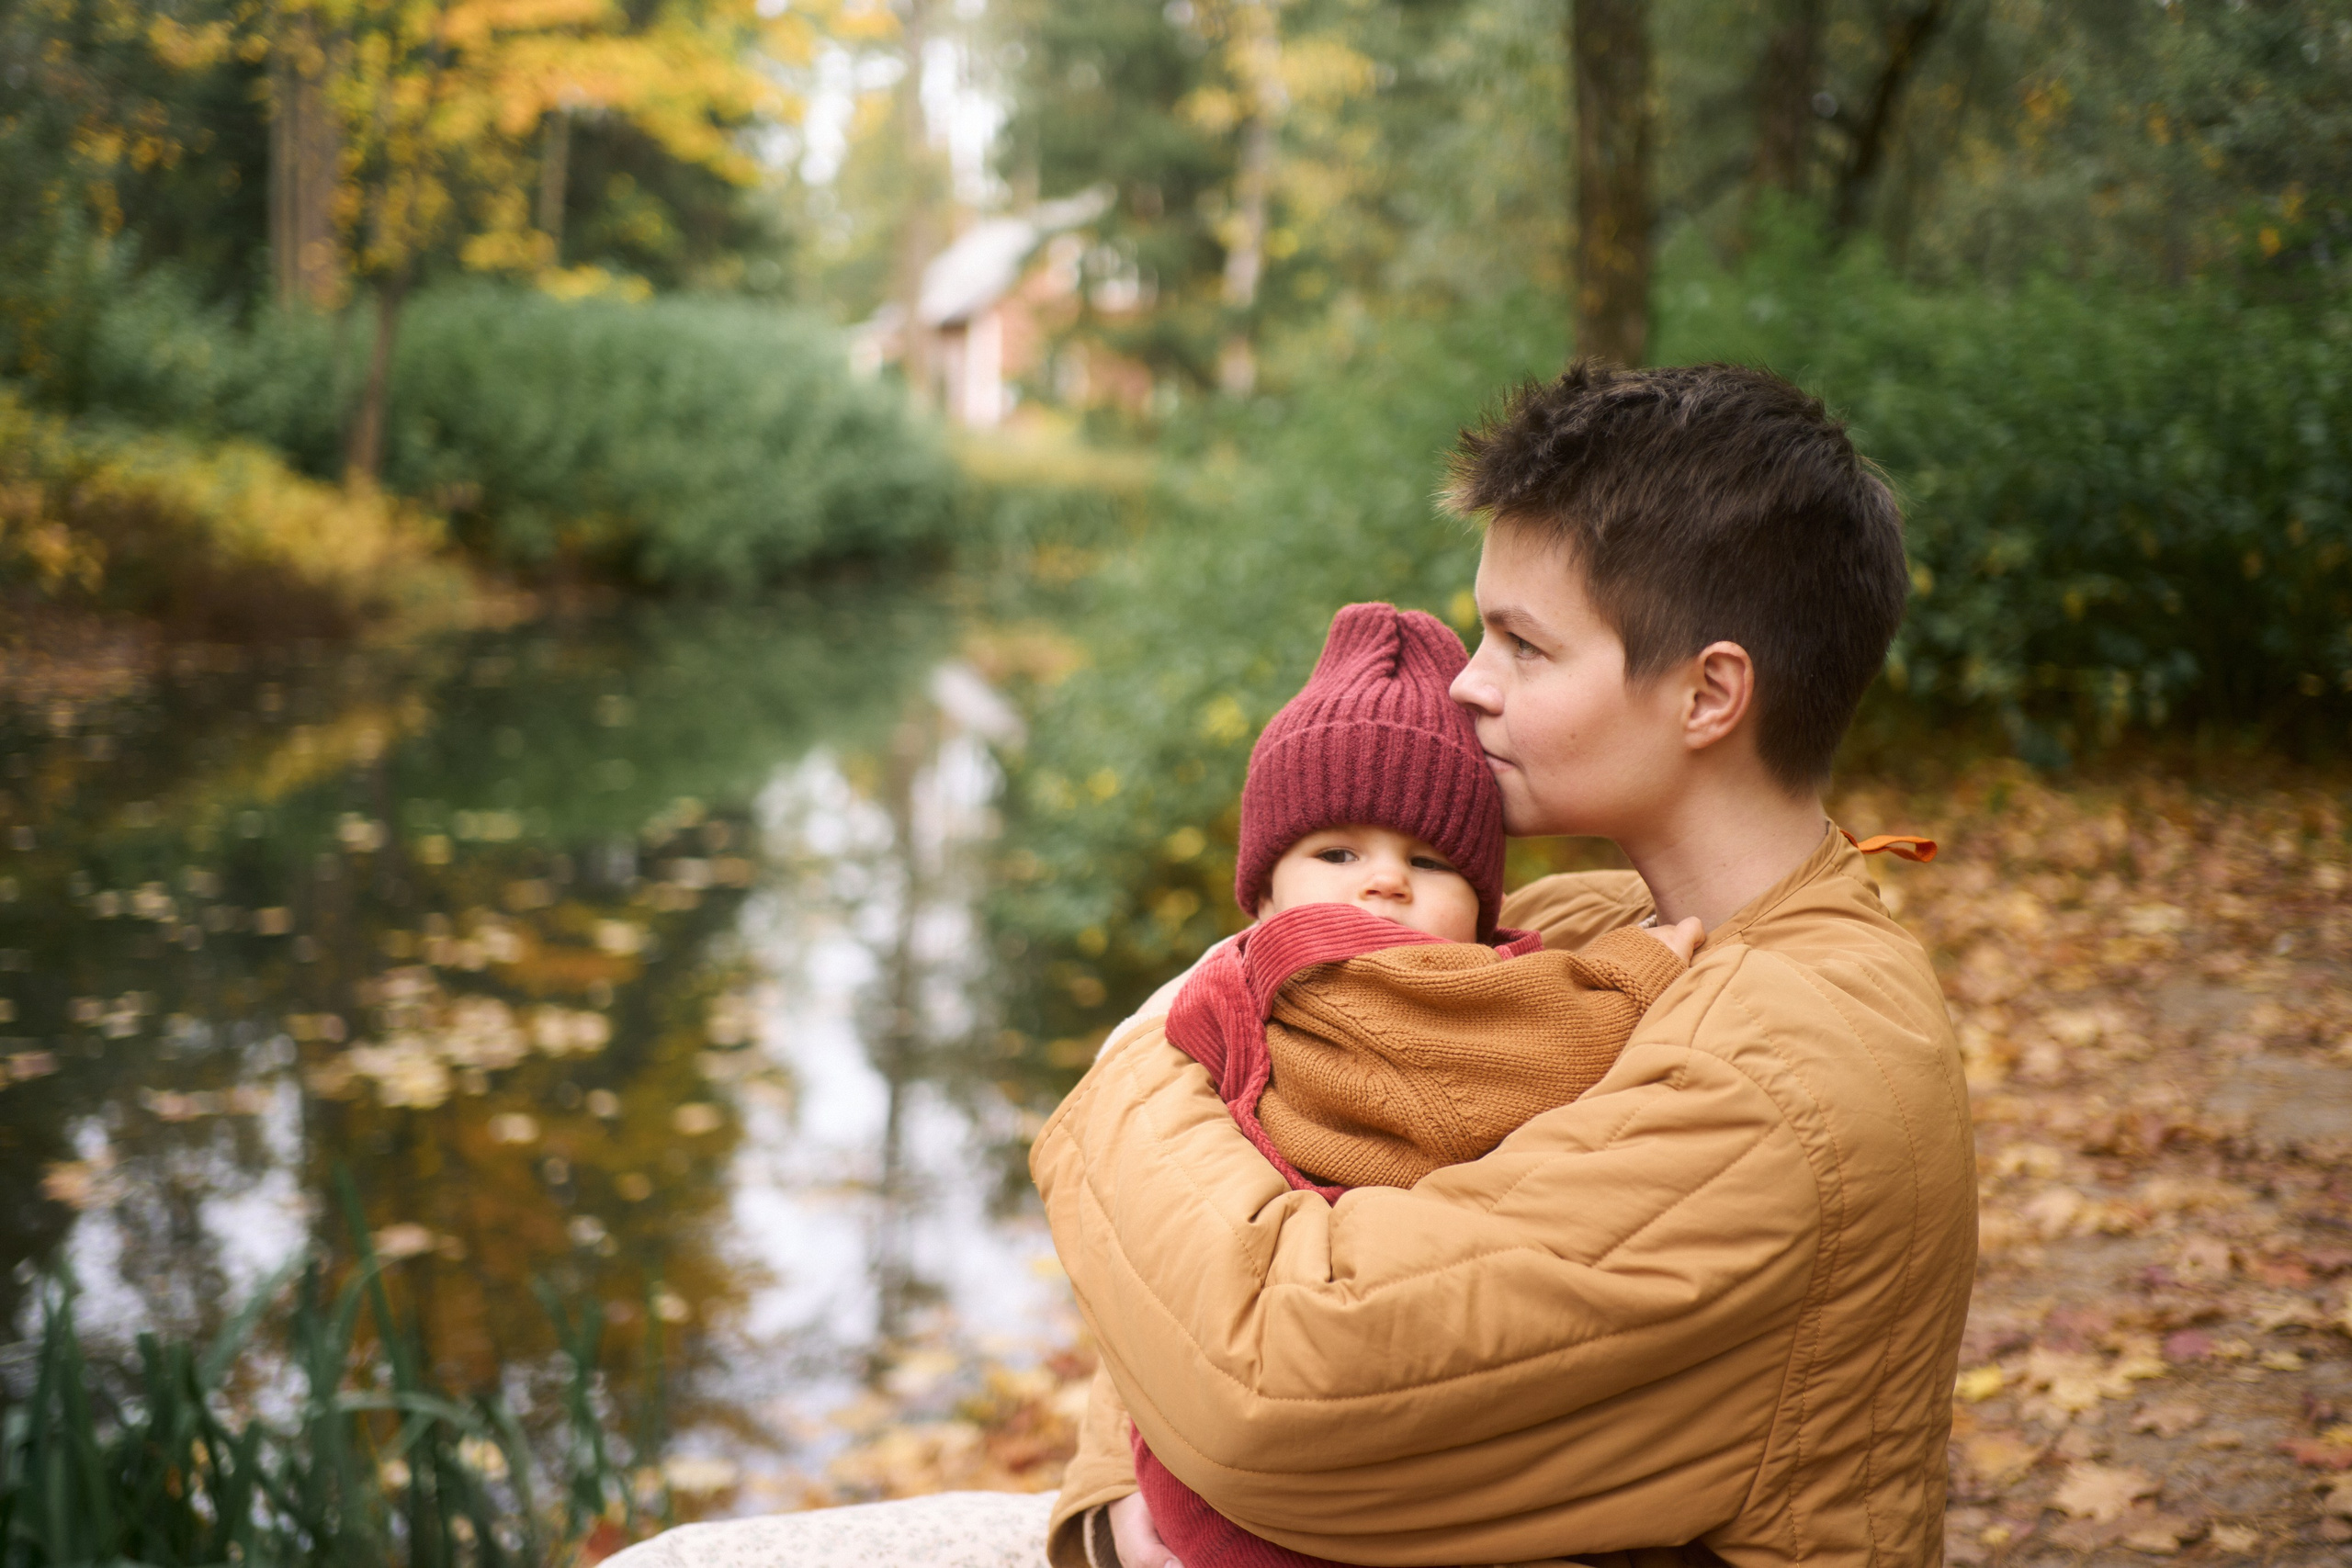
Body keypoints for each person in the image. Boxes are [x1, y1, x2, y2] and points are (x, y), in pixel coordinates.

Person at [1034, 361, 1973, 1568]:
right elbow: (1264, 1144)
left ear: (1709, 693)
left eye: (1525, 646)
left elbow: (1272, 1366)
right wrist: (1119, 1498)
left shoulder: (1778, 1083)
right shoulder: (1590, 922)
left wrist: (1135, 1051)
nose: (1469, 684)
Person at [1126, 597, 1703, 1568]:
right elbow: (1527, 1059)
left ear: (1484, 904)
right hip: (1292, 1514)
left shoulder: (1234, 986)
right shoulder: (1336, 980)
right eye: (1338, 853)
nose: (1384, 883)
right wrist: (1636, 969)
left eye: (1429, 860)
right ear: (1264, 893)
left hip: (1218, 1448)